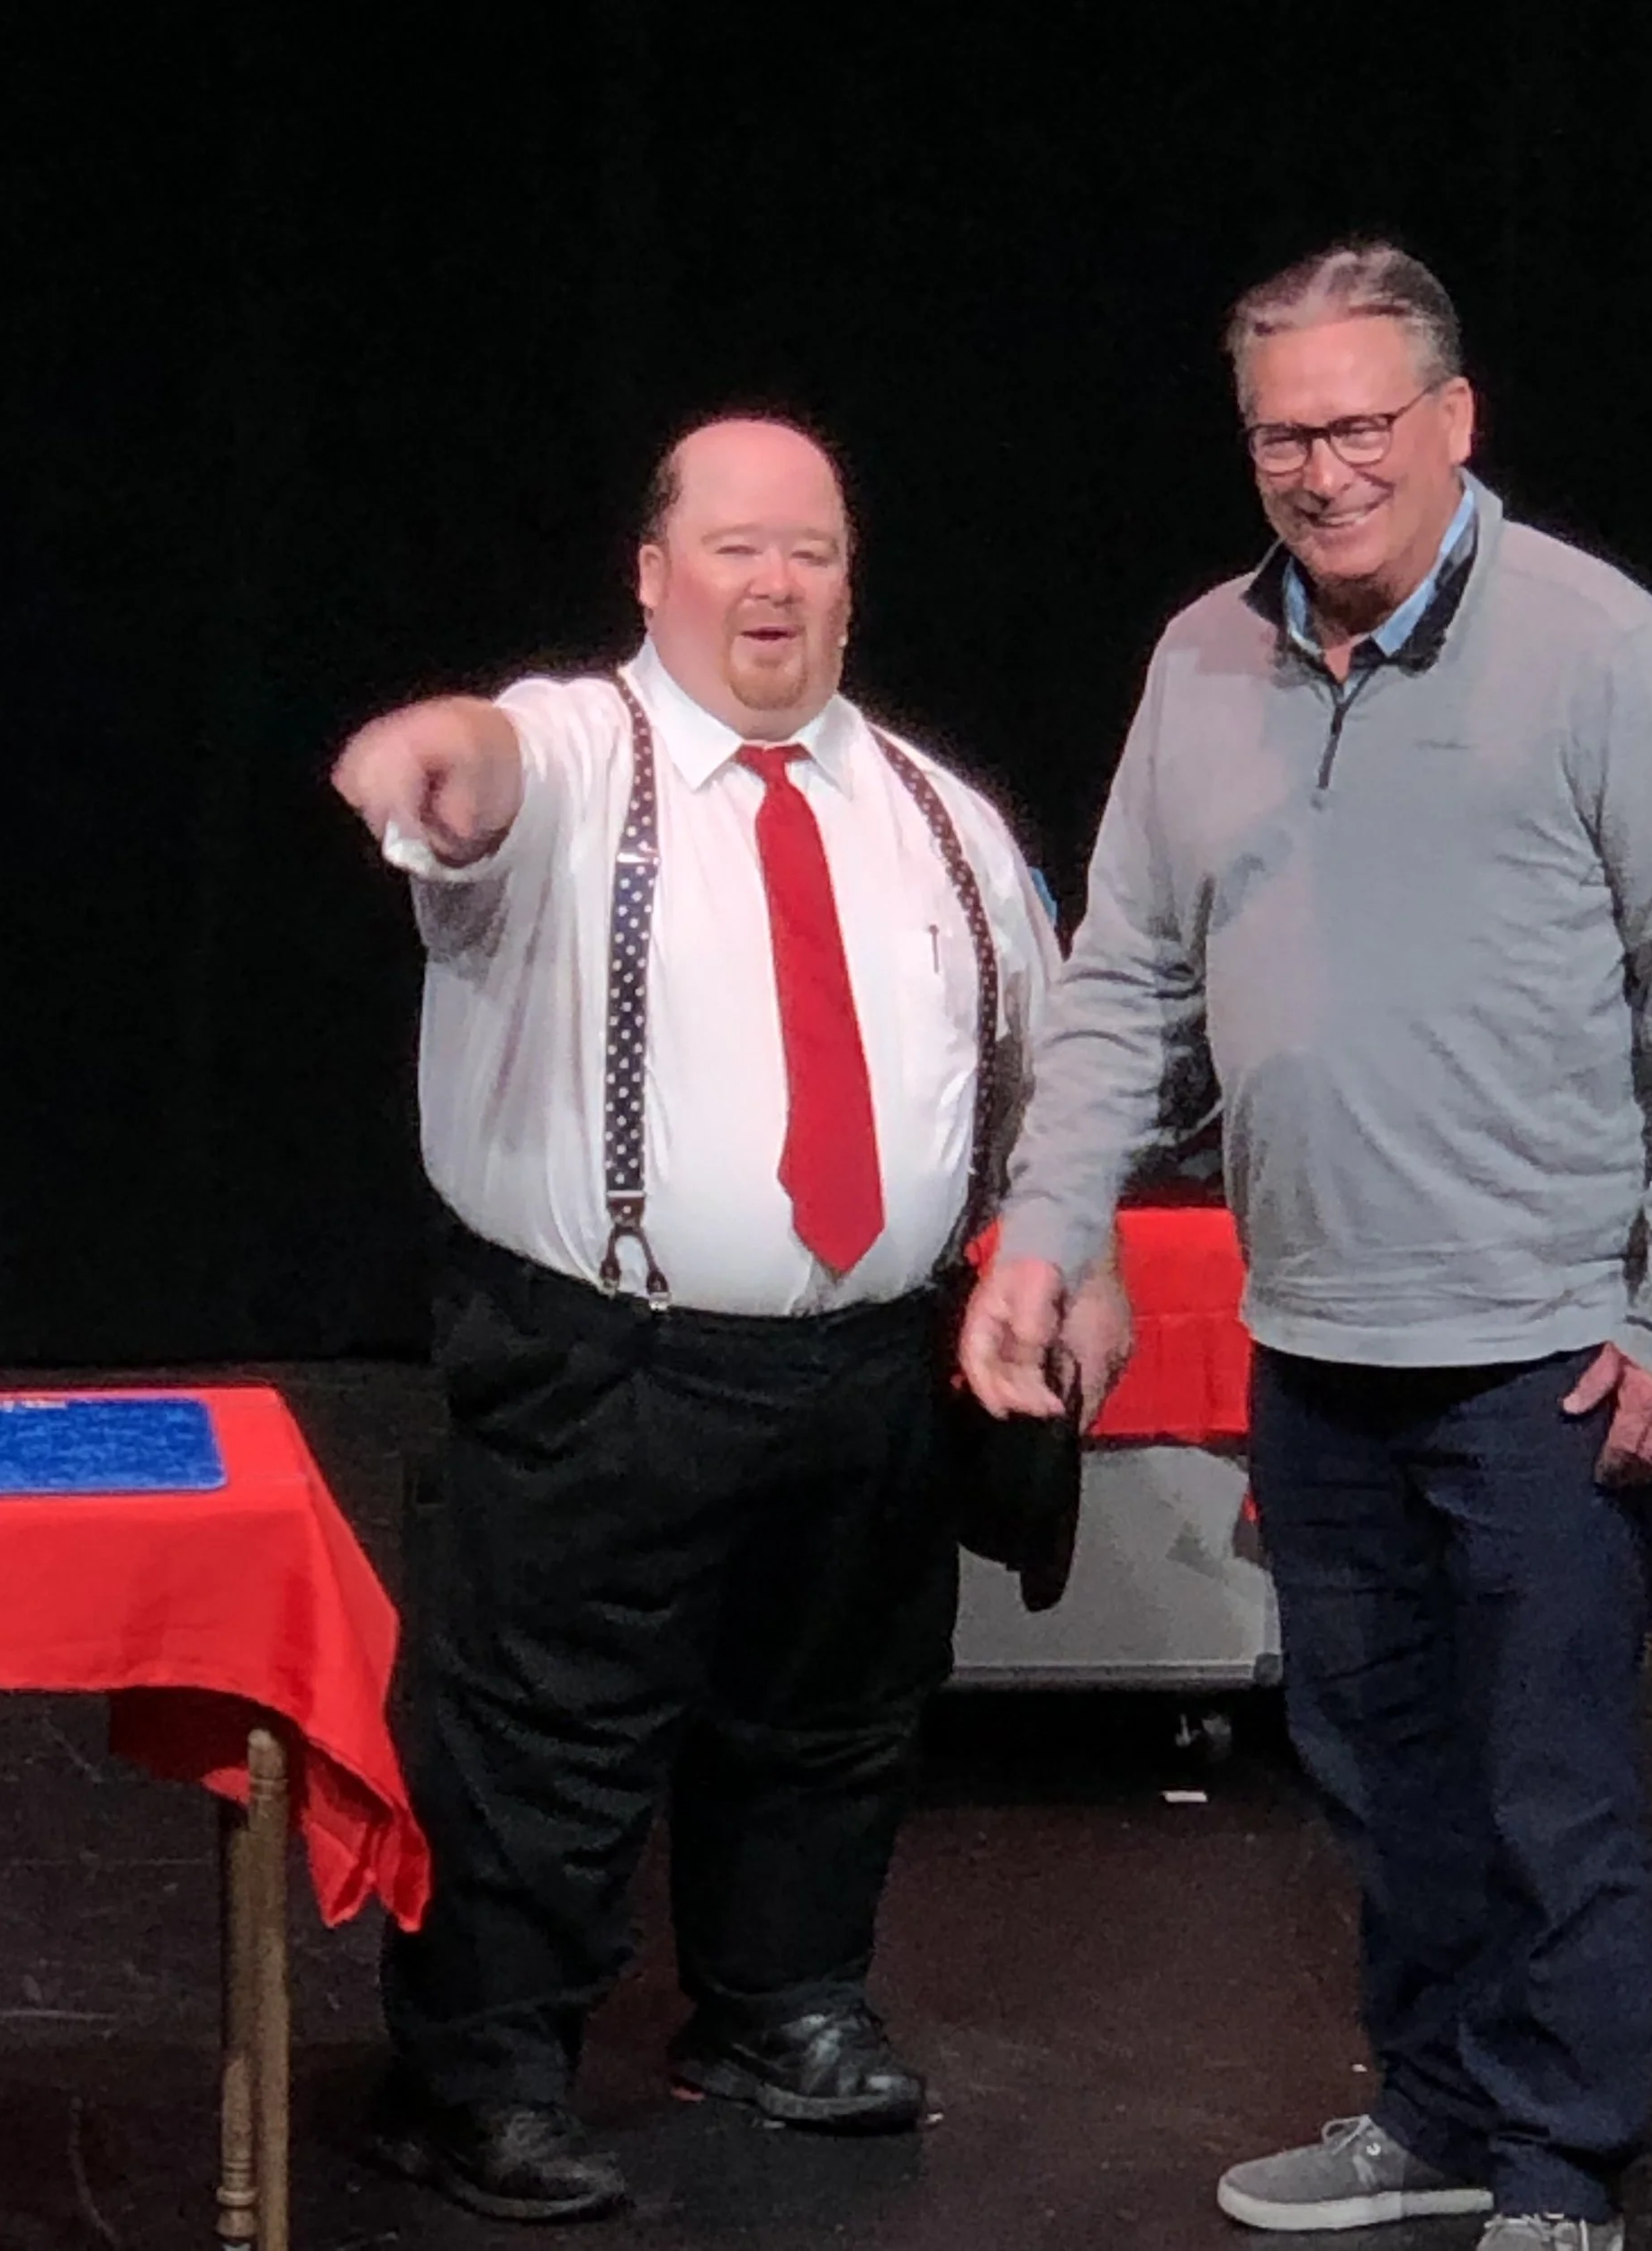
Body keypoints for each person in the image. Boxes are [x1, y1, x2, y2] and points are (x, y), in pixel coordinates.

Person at [960, 243, 1652, 2251]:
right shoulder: (1198, 663)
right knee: (1372, 1765)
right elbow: (1123, 976)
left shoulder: (1602, 653)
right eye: (1280, 434)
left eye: (1355, 425)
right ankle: (1428, 2108)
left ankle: (1561, 2157)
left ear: (1449, 422)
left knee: (1543, 1785)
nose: (1320, 470)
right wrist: (1045, 1228)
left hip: (1546, 1350)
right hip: (1312, 1336)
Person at [330, 415, 1129, 2223]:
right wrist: (418, 754)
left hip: (870, 1357)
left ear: (849, 584)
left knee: (831, 1709)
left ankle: (779, 2006)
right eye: (735, 547)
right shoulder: (572, 752)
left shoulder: (941, 812)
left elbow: (1050, 1074)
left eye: (812, 553)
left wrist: (1085, 1267)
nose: (772, 585)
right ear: (650, 571)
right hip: (603, 1359)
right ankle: (482, 2071)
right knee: (542, 1735)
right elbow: (470, 762)